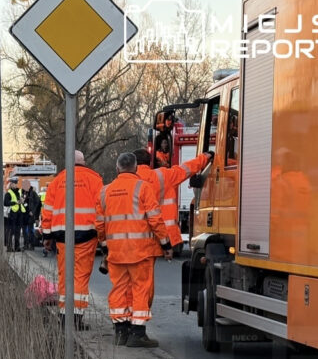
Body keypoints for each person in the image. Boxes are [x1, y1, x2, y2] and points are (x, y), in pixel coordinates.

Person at [99, 152, 171, 347]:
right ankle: (137, 334)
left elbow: (99, 224)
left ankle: (120, 332)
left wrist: (105, 247)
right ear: (136, 168)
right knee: (141, 290)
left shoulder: (105, 191)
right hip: (141, 251)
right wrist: (166, 244)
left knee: (118, 290)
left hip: (116, 251)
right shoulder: (143, 188)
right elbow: (155, 219)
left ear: (117, 169)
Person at [41, 150, 104, 330]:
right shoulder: (94, 179)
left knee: (65, 275)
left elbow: (48, 211)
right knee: (80, 276)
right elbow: (101, 210)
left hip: (61, 236)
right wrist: (103, 235)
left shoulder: (57, 181)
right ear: (83, 162)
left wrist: (47, 236)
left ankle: (63, 315)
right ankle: (75, 318)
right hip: (86, 235)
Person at [134, 147, 213, 252]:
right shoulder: (163, 175)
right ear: (150, 162)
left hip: (135, 237)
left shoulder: (126, 182)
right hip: (164, 236)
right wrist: (205, 157)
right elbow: (187, 169)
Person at [4, 177, 25, 252]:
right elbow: (5, 203)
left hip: (19, 214)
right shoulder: (8, 193)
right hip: (12, 215)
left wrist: (22, 200)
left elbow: (21, 200)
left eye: (16, 183)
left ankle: (17, 247)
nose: (15, 185)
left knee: (17, 232)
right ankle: (9, 248)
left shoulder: (19, 192)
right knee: (11, 231)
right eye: (14, 183)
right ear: (11, 184)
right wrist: (15, 202)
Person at [23, 179, 41, 249]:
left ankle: (31, 244)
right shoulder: (24, 193)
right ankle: (26, 244)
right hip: (25, 215)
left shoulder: (33, 193)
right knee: (25, 230)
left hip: (30, 215)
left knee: (30, 230)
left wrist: (33, 212)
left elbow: (38, 203)